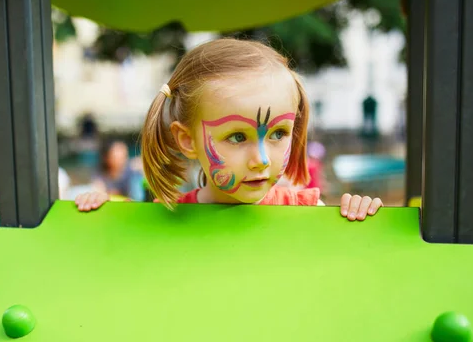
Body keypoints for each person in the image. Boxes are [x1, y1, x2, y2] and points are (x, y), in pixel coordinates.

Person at [75, 39, 383, 221]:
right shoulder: (167, 219)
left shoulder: (307, 213)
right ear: (187, 140)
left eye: (278, 134)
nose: (261, 159)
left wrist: (356, 217)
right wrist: (103, 215)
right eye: (237, 137)